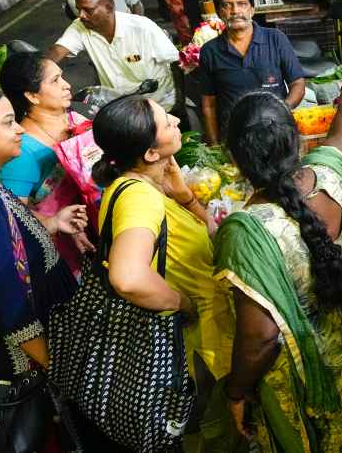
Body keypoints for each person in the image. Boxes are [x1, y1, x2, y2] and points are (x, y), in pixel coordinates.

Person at [215, 82, 342, 450]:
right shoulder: (331, 176)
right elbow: (340, 138)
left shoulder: (247, 231)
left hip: (317, 379)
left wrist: (235, 392)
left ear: (236, 159)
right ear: (296, 138)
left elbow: (260, 338)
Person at [90, 95, 237, 451]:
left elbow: (203, 234)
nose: (174, 118)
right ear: (150, 153)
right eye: (164, 121)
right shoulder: (138, 198)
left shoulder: (150, 186)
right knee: (212, 432)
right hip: (193, 349)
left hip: (208, 339)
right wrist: (183, 304)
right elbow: (127, 277)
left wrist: (184, 196)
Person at [0, 83, 81, 385]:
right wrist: (57, 369)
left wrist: (50, 224)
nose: (19, 130)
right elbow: (4, 301)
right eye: (8, 122)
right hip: (25, 366)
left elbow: (6, 245)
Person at [0, 50, 96, 279]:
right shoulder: (22, 152)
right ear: (32, 96)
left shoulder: (75, 120)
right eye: (55, 80)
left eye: (62, 76)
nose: (67, 85)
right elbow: (15, 218)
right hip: (62, 252)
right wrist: (57, 222)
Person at [197, 0, 306, 145]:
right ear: (219, 12)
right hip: (234, 141)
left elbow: (297, 84)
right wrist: (215, 146)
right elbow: (208, 106)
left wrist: (281, 110)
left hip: (277, 134)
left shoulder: (275, 39)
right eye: (227, 5)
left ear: (252, 9)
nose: (235, 11)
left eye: (242, 4)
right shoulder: (210, 51)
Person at [45, 0, 182, 117]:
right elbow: (57, 51)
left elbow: (175, 63)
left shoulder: (142, 27)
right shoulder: (80, 27)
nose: (81, 15)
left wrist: (180, 102)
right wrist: (40, 75)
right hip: (122, 108)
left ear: (109, 8)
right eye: (79, 9)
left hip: (160, 104)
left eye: (88, 10)